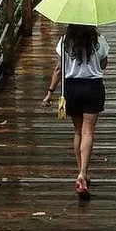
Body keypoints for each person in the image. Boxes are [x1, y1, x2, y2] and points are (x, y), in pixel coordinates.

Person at [42, 23, 109, 199]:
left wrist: (49, 93)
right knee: (88, 131)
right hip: (93, 87)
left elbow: (58, 69)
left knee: (78, 131)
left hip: (71, 88)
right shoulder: (99, 40)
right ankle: (83, 173)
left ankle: (81, 173)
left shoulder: (64, 42)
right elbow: (103, 65)